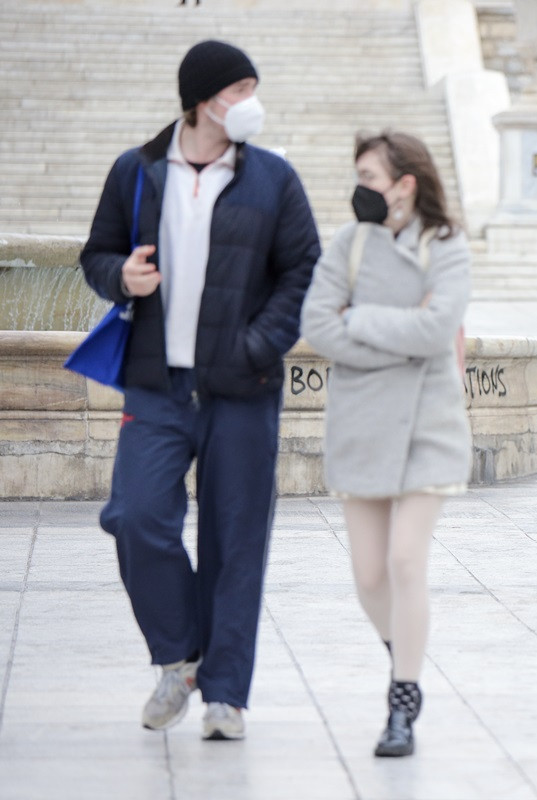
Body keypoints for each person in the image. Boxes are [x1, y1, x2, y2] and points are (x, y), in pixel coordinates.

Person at [79, 40, 321, 740]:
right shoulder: (137, 171)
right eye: (239, 88)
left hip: (241, 387)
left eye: (253, 87)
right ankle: (181, 655)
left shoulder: (273, 178)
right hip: (156, 385)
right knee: (133, 516)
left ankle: (225, 696)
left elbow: (301, 269)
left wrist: (254, 347)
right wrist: (120, 276)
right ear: (202, 99)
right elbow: (96, 254)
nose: (251, 102)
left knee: (236, 540)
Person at [300, 131, 471, 758]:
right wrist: (394, 333)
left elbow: (436, 329)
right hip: (361, 421)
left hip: (428, 423)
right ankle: (405, 648)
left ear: (405, 183)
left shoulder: (446, 246)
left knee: (405, 561)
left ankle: (402, 698)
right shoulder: (346, 246)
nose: (359, 188)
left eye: (370, 176)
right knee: (368, 575)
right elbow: (317, 324)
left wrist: (360, 321)